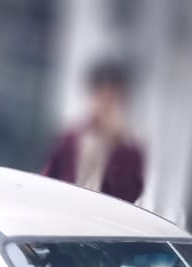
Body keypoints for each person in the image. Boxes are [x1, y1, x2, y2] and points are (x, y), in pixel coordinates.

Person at [43, 58, 145, 205]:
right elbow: (49, 176)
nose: (105, 105)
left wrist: (119, 145)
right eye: (101, 96)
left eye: (112, 99)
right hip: (65, 211)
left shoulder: (130, 149)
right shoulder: (72, 137)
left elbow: (128, 196)